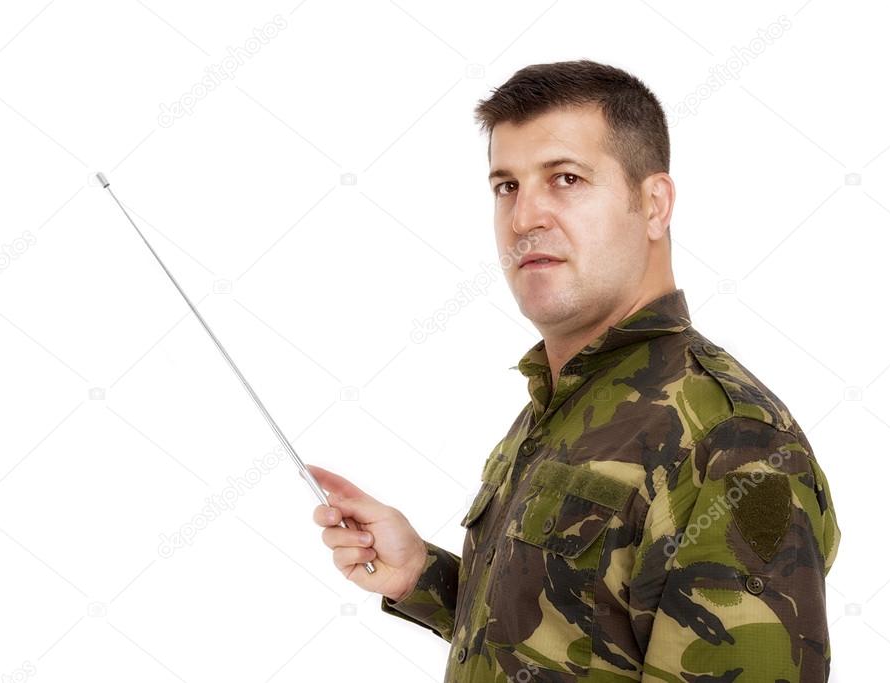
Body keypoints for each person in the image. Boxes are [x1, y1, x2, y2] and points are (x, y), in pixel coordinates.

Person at [309, 59, 841, 682]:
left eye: (565, 178)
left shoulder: (730, 441)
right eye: (506, 186)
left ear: (654, 204)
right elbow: (574, 639)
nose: (524, 218)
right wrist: (419, 576)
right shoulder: (566, 403)